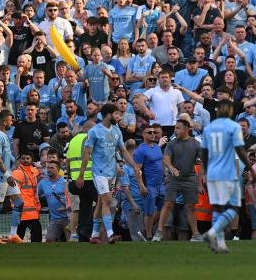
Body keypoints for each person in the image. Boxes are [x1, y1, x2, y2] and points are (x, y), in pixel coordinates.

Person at [76, 103, 141, 244]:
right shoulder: (94, 132)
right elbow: (87, 154)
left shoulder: (116, 131)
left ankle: (94, 234)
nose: (118, 116)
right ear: (108, 115)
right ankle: (110, 234)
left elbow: (123, 151)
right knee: (108, 202)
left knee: (101, 202)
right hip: (99, 173)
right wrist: (81, 175)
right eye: (116, 114)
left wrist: (134, 165)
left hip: (112, 173)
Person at [201, 99, 255, 254]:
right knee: (234, 208)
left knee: (217, 208)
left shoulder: (209, 128)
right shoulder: (233, 126)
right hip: (227, 173)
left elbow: (203, 153)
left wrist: (205, 171)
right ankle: (212, 233)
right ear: (230, 110)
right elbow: (239, 149)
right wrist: (251, 168)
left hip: (212, 173)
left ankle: (220, 244)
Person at [152, 119, 202, 242]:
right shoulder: (172, 143)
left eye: (178, 128)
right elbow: (166, 158)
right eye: (175, 128)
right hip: (174, 178)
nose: (175, 130)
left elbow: (203, 164)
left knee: (190, 207)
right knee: (168, 203)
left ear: (186, 130)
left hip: (190, 177)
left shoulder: (195, 144)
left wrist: (200, 182)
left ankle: (195, 234)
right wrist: (171, 168)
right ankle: (159, 232)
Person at [0, 113, 25, 244]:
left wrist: (16, 162)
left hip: (7, 175)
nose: (12, 122)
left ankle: (13, 235)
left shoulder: (3, 136)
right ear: (4, 122)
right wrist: (8, 175)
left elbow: (6, 155)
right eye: (10, 120)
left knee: (19, 202)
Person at [37, 160, 70, 242]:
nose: (49, 170)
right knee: (49, 240)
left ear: (58, 170)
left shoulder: (65, 182)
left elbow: (72, 199)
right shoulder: (42, 183)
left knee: (71, 241)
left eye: (52, 168)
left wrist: (66, 206)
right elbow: (36, 195)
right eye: (48, 168)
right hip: (55, 219)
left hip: (68, 218)